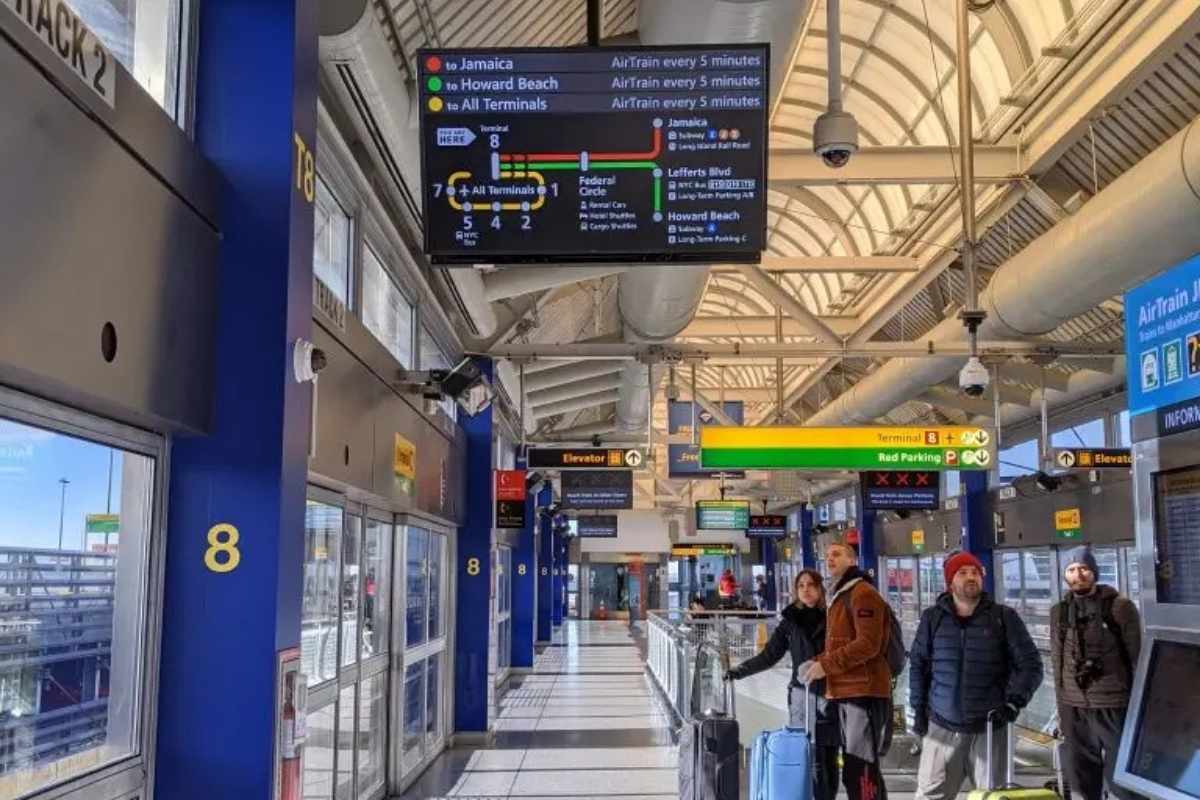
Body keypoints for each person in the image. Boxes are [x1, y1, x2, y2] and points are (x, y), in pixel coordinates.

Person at [909, 552, 1044, 800]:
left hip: (991, 729)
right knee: (930, 794)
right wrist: (918, 711)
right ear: (950, 582)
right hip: (941, 726)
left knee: (992, 795)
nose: (971, 577)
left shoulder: (1003, 618)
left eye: (975, 572)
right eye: (962, 573)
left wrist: (1014, 702)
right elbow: (918, 666)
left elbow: (1031, 665)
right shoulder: (933, 619)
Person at [726, 570, 840, 800]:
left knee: (828, 758)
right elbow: (770, 655)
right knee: (810, 757)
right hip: (802, 697)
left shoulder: (835, 617)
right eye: (801, 586)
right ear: (796, 591)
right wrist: (739, 671)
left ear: (820, 589)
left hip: (831, 695)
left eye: (811, 585)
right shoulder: (790, 621)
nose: (806, 589)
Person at [798, 542, 891, 800]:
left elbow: (867, 645)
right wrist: (816, 661)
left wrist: (825, 666)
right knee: (854, 767)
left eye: (837, 554)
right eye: (827, 555)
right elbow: (839, 644)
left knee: (861, 769)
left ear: (852, 561)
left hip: (864, 693)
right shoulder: (839, 595)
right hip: (847, 692)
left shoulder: (862, 594)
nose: (830, 559)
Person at [1051, 546, 1142, 800]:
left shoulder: (1120, 608)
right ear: (1064, 576)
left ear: (1094, 572)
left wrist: (1139, 711)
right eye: (1071, 570)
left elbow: (1137, 659)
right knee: (1080, 782)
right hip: (1074, 709)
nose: (1077, 575)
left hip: (1115, 706)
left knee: (1125, 784)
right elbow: (1057, 664)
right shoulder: (1059, 612)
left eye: (1083, 568)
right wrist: (1062, 711)